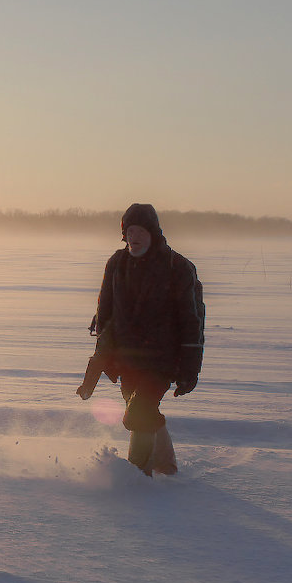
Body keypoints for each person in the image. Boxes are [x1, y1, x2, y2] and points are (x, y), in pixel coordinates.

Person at [79, 203, 204, 476]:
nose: (133, 237)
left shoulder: (178, 267)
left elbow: (192, 321)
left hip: (163, 359)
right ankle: (166, 465)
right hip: (128, 359)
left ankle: (137, 476)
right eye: (129, 231)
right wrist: (102, 355)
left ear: (154, 233)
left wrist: (190, 369)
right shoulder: (117, 263)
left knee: (138, 414)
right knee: (142, 414)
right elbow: (105, 313)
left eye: (140, 231)